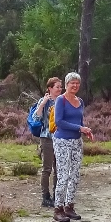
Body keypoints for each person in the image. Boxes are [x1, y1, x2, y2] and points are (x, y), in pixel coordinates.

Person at [52, 72, 94, 222]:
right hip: (62, 140)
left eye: (77, 83)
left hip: (77, 141)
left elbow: (79, 121)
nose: (75, 85)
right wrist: (79, 128)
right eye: (72, 83)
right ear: (66, 84)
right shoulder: (60, 101)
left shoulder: (80, 101)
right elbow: (59, 122)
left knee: (75, 175)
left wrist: (85, 130)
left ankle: (69, 206)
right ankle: (58, 209)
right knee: (63, 175)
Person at [34, 76, 62, 207]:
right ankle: (45, 196)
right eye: (57, 87)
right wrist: (43, 103)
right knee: (47, 169)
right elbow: (36, 117)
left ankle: (57, 195)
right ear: (50, 88)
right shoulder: (44, 101)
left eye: (61, 87)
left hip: (61, 138)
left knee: (59, 168)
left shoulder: (62, 100)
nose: (60, 89)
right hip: (47, 138)